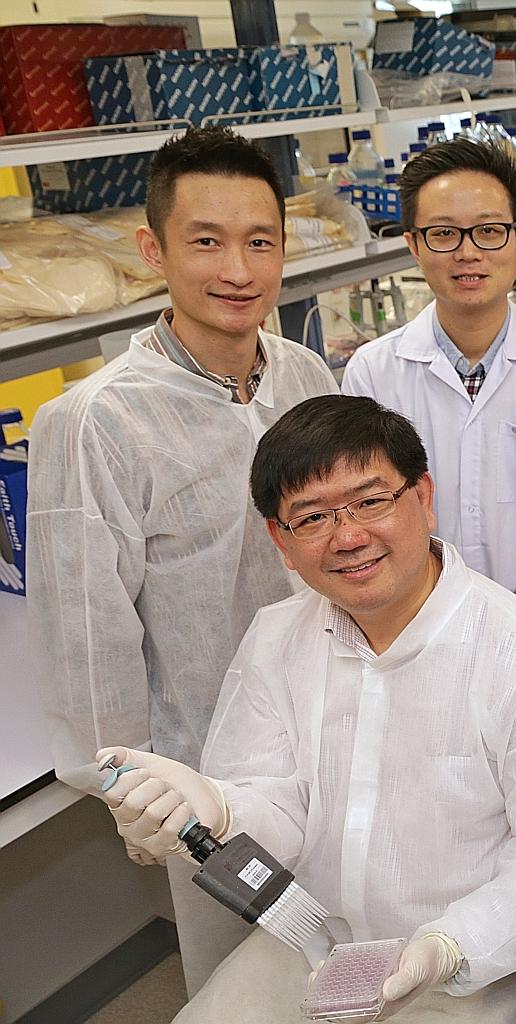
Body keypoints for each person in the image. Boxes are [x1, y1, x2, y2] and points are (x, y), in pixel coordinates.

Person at [98, 395, 516, 1023]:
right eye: (313, 517)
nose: (349, 536)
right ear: (281, 539)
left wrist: (446, 948)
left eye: (370, 501)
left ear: (423, 496)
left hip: (482, 966)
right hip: (314, 950)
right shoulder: (277, 637)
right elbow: (281, 813)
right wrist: (216, 808)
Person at [25, 125, 338, 992]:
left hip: (338, 727)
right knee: (247, 983)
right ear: (152, 250)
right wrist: (132, 787)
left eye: (259, 242)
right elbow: (87, 642)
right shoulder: (98, 422)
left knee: (358, 954)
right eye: (205, 241)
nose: (237, 270)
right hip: (209, 767)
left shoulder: (305, 377)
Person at [343, 138, 516, 650]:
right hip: (415, 639)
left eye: (488, 232)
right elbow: (367, 519)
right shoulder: (373, 374)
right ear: (414, 244)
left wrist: (515, 630)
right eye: (444, 234)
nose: (468, 252)